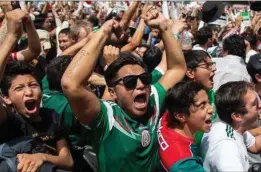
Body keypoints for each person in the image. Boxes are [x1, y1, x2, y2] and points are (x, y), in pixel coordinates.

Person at [61, 9, 186, 172]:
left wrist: (164, 27)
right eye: (130, 82)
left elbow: (177, 68)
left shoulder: (153, 99)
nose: (141, 85)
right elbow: (70, 83)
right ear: (112, 92)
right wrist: (103, 33)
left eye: (145, 78)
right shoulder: (107, 117)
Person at [0, 9, 73, 172]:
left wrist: (42, 157)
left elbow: (68, 161)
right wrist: (12, 36)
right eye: (19, 88)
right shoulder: (10, 122)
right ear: (6, 98)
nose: (29, 92)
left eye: (33, 85)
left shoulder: (51, 116)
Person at [200, 81, 261, 172]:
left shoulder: (229, 127)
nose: (260, 105)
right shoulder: (227, 148)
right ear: (237, 116)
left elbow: (255, 146)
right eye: (254, 104)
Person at [158, 81, 213, 171]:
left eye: (208, 102)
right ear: (180, 116)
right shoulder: (186, 165)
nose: (211, 109)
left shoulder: (167, 116)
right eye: (202, 106)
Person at [182, 50, 217, 146]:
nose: (214, 69)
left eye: (212, 65)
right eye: (207, 66)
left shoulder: (212, 94)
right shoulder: (182, 101)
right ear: (190, 72)